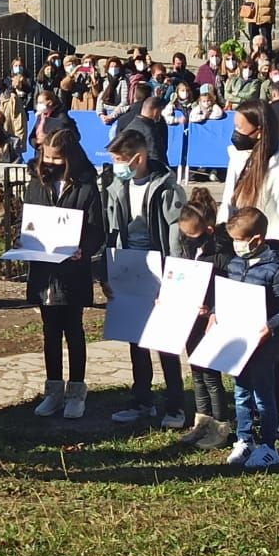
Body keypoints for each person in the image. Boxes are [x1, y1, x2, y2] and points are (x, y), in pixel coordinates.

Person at [218, 99, 279, 439]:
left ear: (261, 132)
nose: (236, 134)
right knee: (241, 335)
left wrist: (263, 249)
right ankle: (250, 409)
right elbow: (229, 203)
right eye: (235, 128)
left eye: (243, 129)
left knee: (273, 343)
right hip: (237, 260)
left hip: (268, 262)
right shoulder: (237, 157)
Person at [102, 129, 187, 428]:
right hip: (129, 267)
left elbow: (176, 235)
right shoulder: (115, 187)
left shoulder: (166, 189)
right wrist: (108, 270)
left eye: (120, 160)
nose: (116, 167)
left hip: (160, 266)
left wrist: (175, 278)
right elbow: (112, 230)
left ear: (137, 158)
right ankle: (142, 399)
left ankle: (175, 404)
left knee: (164, 340)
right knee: (136, 339)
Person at [23, 130, 105, 421]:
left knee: (74, 330)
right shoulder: (37, 184)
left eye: (57, 158)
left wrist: (83, 248)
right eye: (47, 157)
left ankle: (76, 392)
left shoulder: (86, 187)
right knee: (50, 331)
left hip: (73, 272)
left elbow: (97, 229)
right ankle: (53, 390)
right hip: (45, 272)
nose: (51, 163)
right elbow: (29, 220)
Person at [220, 207, 279, 471]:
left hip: (264, 345)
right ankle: (245, 439)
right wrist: (213, 313)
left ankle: (268, 446)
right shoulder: (234, 265)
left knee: (264, 396)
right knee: (241, 392)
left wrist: (271, 327)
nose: (235, 245)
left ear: (255, 240)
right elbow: (227, 298)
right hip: (238, 342)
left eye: (238, 240)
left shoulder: (275, 269)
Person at [175, 187, 234, 451]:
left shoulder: (221, 254)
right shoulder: (189, 247)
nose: (187, 239)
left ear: (208, 230)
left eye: (192, 235)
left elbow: (229, 287)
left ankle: (221, 425)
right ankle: (202, 420)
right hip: (189, 318)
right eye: (183, 234)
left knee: (210, 375)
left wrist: (211, 308)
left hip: (209, 319)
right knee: (196, 371)